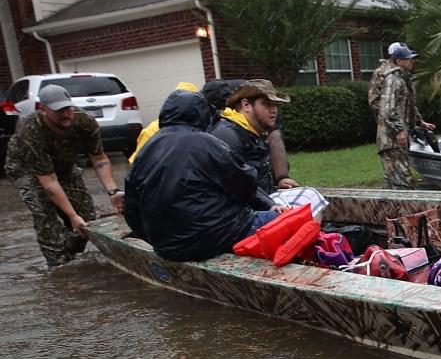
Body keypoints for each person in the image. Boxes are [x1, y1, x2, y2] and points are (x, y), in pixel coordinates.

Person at [124, 89, 285, 262]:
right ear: (202, 113)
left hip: (167, 247)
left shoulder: (145, 151)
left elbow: (131, 208)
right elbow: (246, 183)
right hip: (213, 238)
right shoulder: (207, 143)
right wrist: (267, 205)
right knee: (286, 221)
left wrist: (154, 239)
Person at [4, 85, 125, 267]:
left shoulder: (84, 121)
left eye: (68, 108)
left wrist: (113, 192)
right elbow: (49, 181)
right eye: (58, 110)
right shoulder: (30, 130)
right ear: (43, 109)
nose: (66, 114)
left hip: (65, 165)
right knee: (44, 213)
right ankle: (58, 264)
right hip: (26, 168)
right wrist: (71, 215)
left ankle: (70, 247)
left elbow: (99, 158)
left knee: (86, 217)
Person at [210, 79, 292, 195]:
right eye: (267, 104)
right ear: (246, 105)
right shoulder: (228, 135)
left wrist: (280, 179)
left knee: (311, 196)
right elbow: (236, 187)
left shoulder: (253, 131)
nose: (273, 110)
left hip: (263, 201)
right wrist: (271, 206)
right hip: (246, 209)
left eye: (274, 105)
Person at [376, 42, 435, 189]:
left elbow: (407, 106)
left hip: (397, 138)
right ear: (398, 61)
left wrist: (420, 122)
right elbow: (387, 108)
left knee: (395, 179)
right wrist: (398, 130)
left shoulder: (402, 79)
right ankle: (402, 208)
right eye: (408, 59)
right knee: (401, 180)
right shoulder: (393, 80)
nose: (412, 62)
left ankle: (391, 209)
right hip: (391, 139)